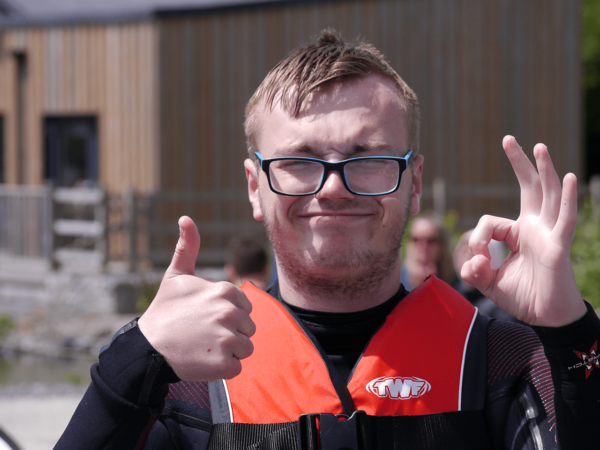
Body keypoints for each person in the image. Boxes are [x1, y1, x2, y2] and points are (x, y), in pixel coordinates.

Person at [56, 30, 599, 449]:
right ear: (254, 186)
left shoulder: (500, 359)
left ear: (413, 184)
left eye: (369, 159)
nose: (334, 187)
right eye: (299, 161)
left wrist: (570, 330)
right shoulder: (186, 380)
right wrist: (134, 360)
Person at [453, 229, 520, 323]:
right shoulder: (453, 293)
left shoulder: (503, 304)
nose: (465, 260)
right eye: (462, 252)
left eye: (472, 254)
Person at [400, 211, 456, 290]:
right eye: (416, 239)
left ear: (442, 244)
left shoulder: (455, 281)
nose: (423, 246)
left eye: (430, 240)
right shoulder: (395, 281)